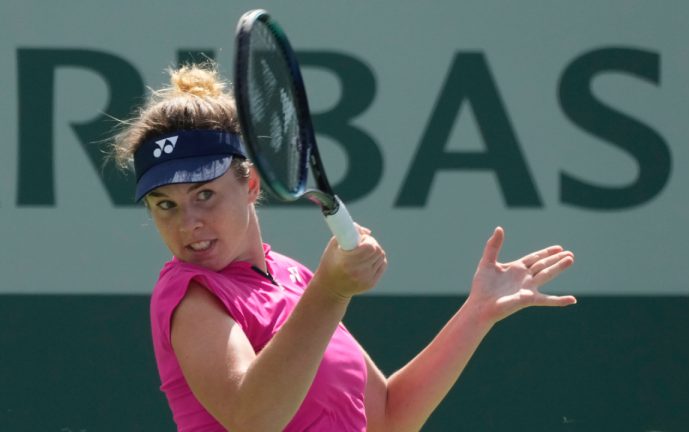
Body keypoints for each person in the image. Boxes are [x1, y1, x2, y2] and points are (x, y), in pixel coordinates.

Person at [112, 63, 577, 432]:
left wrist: (476, 313)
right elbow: (253, 422)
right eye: (165, 205)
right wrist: (330, 292)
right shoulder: (190, 294)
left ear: (250, 184)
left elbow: (389, 419)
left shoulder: (293, 278)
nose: (188, 222)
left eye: (204, 195)